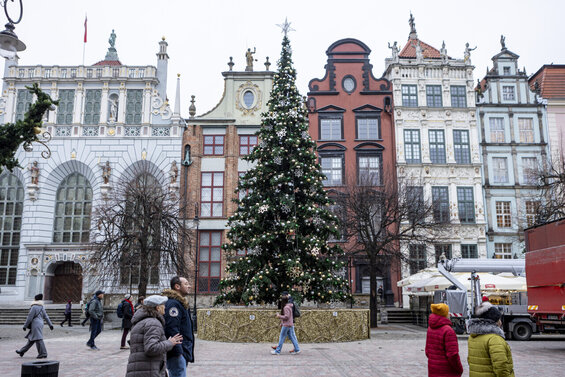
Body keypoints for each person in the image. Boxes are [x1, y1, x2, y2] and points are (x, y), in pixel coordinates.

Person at [126, 295, 183, 377]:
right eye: (163, 305)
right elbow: (151, 348)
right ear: (157, 308)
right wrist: (169, 343)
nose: (165, 307)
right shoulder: (153, 323)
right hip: (148, 371)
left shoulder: (141, 321)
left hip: (141, 369)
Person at [468, 302, 515, 377]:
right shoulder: (494, 339)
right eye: (499, 319)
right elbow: (501, 366)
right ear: (495, 321)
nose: (501, 322)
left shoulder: (473, 336)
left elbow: (470, 361)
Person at [163, 276, 195, 377]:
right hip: (177, 353)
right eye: (186, 284)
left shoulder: (180, 303)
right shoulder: (173, 304)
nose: (189, 286)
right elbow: (172, 329)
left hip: (182, 351)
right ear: (177, 286)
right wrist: (178, 352)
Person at [425, 303, 463, 377]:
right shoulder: (448, 331)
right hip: (447, 371)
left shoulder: (430, 328)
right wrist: (459, 369)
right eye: (447, 312)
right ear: (444, 314)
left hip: (433, 370)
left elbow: (427, 351)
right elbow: (453, 355)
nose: (449, 314)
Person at [16, 294, 54, 359]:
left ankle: (43, 353)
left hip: (35, 325)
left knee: (39, 339)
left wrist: (25, 326)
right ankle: (22, 351)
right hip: (40, 324)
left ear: (35, 299)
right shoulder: (42, 307)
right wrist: (50, 325)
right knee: (31, 339)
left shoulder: (34, 307)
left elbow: (29, 317)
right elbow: (46, 317)